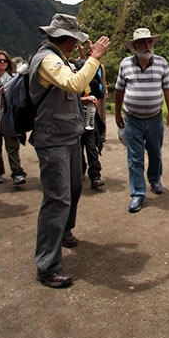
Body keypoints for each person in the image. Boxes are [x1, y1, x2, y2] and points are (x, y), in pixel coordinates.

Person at [29, 14, 110, 288]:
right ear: (69, 39)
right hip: (53, 140)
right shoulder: (47, 59)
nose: (79, 46)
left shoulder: (60, 59)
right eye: (77, 41)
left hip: (69, 135)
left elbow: (75, 87)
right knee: (56, 199)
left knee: (74, 187)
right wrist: (95, 57)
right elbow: (74, 83)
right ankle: (47, 264)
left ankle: (64, 231)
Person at [114, 27, 169, 213]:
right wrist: (117, 114)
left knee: (155, 153)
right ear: (135, 46)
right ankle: (138, 193)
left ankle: (155, 180)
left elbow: (168, 89)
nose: (147, 46)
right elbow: (119, 91)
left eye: (149, 42)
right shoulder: (125, 64)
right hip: (132, 119)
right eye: (142, 42)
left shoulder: (161, 63)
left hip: (155, 118)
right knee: (135, 157)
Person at [0, 50, 27, 186]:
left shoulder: (12, 77)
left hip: (8, 113)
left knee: (12, 145)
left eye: (4, 60)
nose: (2, 63)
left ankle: (17, 172)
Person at [74, 45, 106, 191]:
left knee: (91, 146)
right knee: (78, 147)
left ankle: (95, 176)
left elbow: (98, 99)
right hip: (75, 119)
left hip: (90, 118)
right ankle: (79, 171)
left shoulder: (93, 82)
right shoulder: (72, 84)